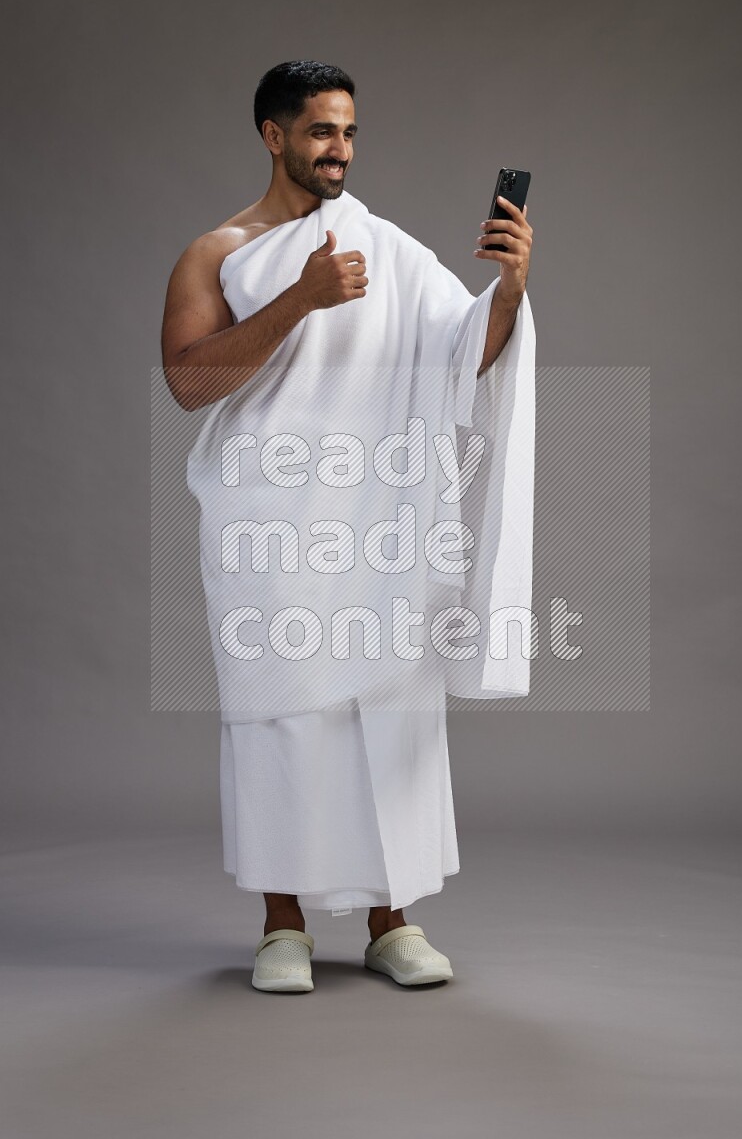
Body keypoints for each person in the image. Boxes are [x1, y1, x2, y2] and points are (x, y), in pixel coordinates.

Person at [160, 60, 534, 992]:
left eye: (351, 133)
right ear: (273, 134)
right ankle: (281, 926)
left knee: (386, 706)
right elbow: (187, 382)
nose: (340, 151)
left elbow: (464, 357)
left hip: (376, 514)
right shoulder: (217, 251)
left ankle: (390, 921)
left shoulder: (388, 249)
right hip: (270, 520)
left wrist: (511, 289)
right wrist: (303, 298)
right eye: (323, 131)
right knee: (280, 715)